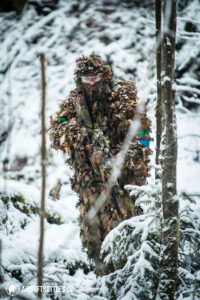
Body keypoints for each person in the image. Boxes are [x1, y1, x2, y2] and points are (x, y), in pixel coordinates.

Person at [49, 53, 151, 274]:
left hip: (123, 179)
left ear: (103, 76)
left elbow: (142, 135)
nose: (92, 83)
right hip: (90, 181)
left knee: (125, 225)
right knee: (93, 231)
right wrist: (83, 135)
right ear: (80, 80)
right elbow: (57, 129)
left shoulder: (122, 97)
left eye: (95, 77)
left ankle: (131, 275)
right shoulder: (74, 101)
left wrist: (119, 161)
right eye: (87, 79)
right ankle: (101, 275)